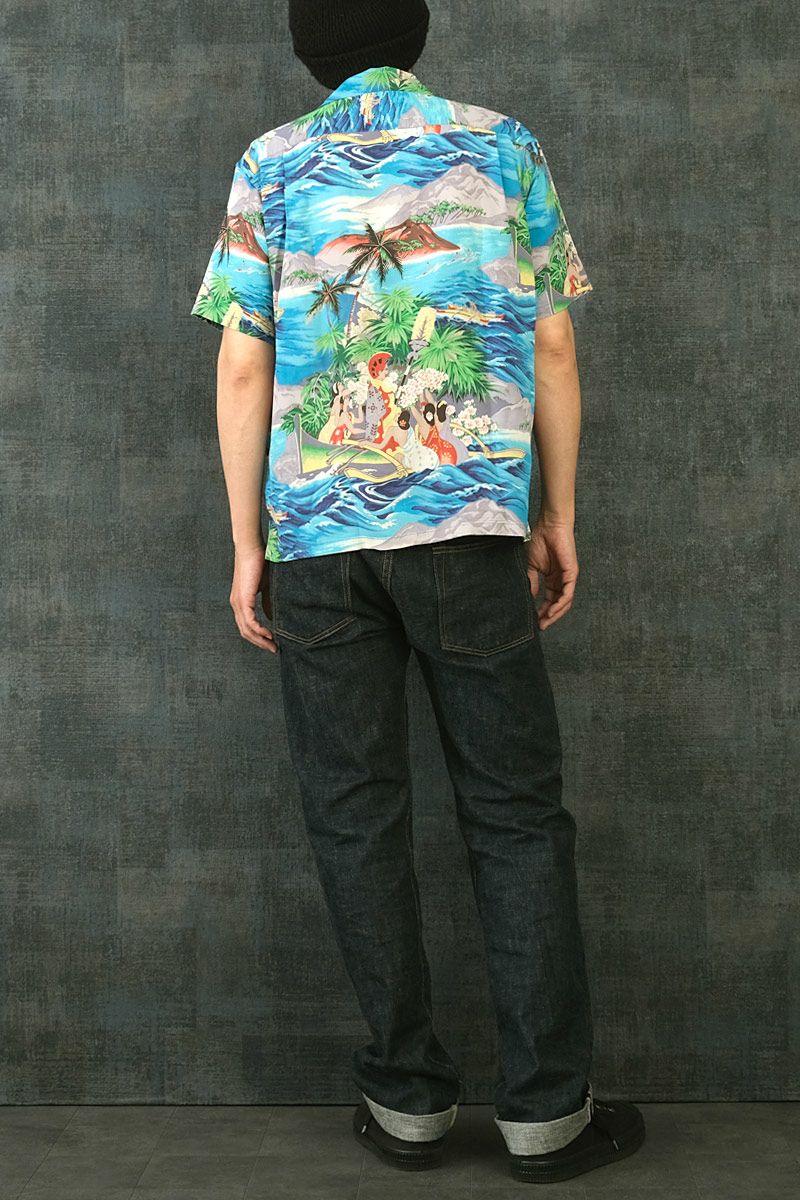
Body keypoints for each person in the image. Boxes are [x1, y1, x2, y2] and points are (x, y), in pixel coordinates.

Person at [190, 0, 645, 1183]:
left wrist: (248, 542)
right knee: (514, 816)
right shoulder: (502, 145)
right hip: (466, 531)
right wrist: (552, 513)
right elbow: (551, 344)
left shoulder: (270, 162)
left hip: (315, 542)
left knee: (354, 816)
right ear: (416, 31)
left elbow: (240, 362)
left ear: (309, 51)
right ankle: (546, 1115)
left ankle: (405, 1103)